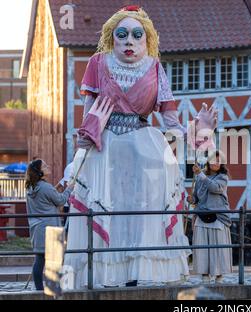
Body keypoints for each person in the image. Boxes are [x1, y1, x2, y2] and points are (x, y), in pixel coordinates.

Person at [63, 5, 217, 288]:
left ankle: (137, 273)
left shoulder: (155, 67)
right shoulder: (98, 63)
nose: (129, 41)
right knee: (106, 207)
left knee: (143, 213)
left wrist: (199, 132)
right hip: (104, 145)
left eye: (137, 35)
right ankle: (104, 274)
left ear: (147, 39)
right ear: (112, 37)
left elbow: (171, 122)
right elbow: (89, 113)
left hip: (144, 145)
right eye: (122, 35)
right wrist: (82, 147)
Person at [25, 159, 74, 290]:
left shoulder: (31, 187)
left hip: (37, 228)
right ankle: (53, 290)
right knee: (54, 261)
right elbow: (61, 200)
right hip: (51, 227)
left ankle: (39, 290)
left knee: (39, 260)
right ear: (39, 171)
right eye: (45, 166)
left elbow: (47, 199)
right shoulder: (46, 187)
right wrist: (70, 188)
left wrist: (56, 188)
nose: (48, 166)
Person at [187, 151, 233, 283]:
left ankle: (219, 275)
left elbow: (215, 188)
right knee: (202, 247)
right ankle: (205, 274)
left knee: (217, 247)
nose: (216, 163)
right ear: (208, 161)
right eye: (214, 160)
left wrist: (200, 175)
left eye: (219, 161)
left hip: (217, 217)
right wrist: (191, 199)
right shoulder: (200, 177)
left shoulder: (223, 177)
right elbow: (197, 196)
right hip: (202, 215)